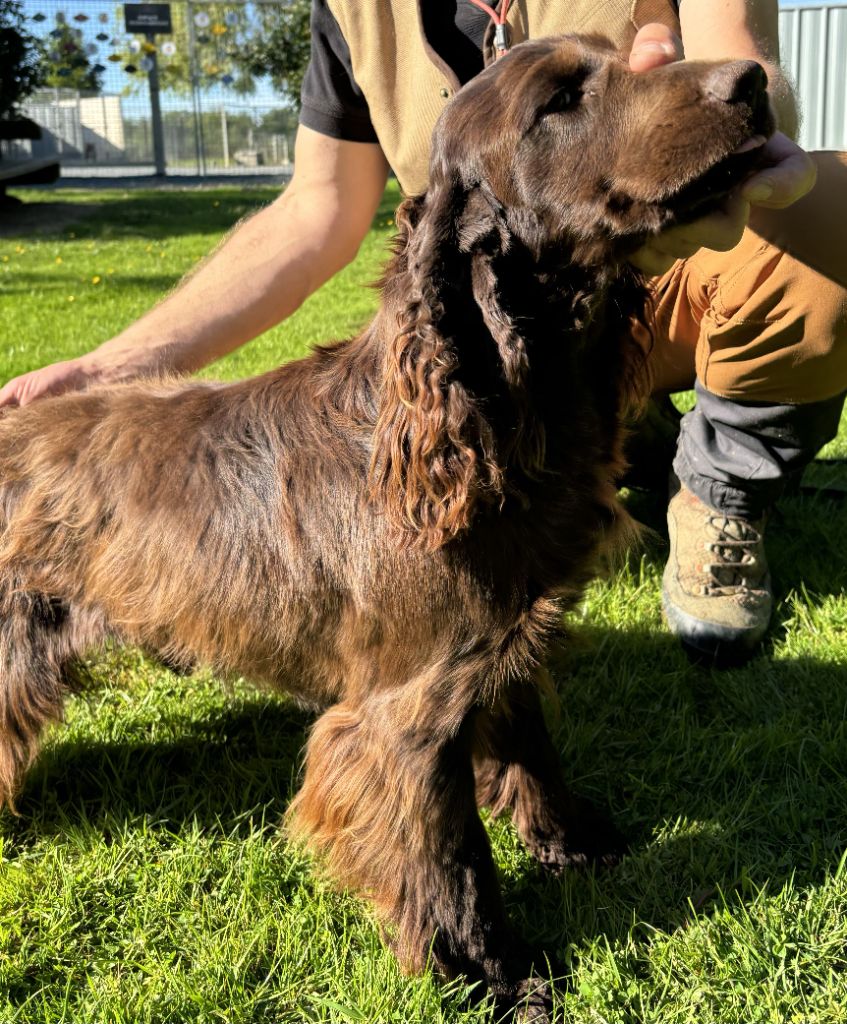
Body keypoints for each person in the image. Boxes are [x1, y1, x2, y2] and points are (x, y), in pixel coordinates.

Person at [2, 1, 844, 665]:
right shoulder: (358, 11)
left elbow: (745, 68)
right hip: (504, 316)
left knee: (824, 220)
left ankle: (719, 497)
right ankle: (567, 457)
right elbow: (315, 211)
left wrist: (721, 118)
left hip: (674, 270)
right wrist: (115, 364)